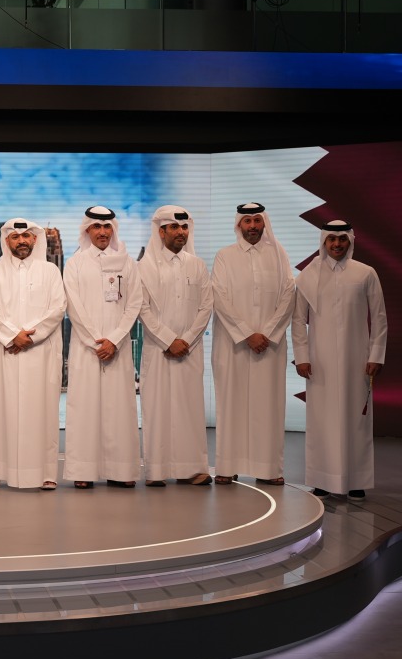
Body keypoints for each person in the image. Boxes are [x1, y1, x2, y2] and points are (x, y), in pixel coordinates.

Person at [292, 220, 388, 500]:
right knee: (322, 420)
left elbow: (379, 317)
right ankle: (322, 479)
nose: (336, 245)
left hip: (356, 360)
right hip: (318, 361)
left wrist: (376, 355)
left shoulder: (365, 273)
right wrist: (301, 356)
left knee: (355, 420)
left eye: (341, 240)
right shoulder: (309, 276)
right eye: (331, 240)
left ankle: (355, 480)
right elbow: (298, 320)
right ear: (323, 242)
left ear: (350, 241)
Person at [0, 219, 67, 490]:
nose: (21, 241)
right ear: (7, 241)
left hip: (40, 354)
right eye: (15, 237)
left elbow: (58, 307)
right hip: (2, 352)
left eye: (26, 236)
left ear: (35, 239)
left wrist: (30, 337)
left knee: (42, 412)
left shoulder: (50, 271)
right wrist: (12, 335)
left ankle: (45, 473)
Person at [211, 202, 296, 486]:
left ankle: (268, 468)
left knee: (268, 405)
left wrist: (267, 334)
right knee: (231, 404)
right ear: (239, 225)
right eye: (247, 221)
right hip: (233, 344)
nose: (252, 227)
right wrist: (248, 333)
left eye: (257, 221)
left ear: (264, 223)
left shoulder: (279, 255)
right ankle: (227, 466)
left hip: (269, 346)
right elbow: (220, 298)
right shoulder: (224, 256)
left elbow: (288, 295)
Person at [61, 207, 143, 490]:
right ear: (87, 231)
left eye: (107, 227)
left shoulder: (127, 263)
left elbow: (134, 303)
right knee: (84, 408)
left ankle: (121, 470)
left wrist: (116, 339)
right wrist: (96, 340)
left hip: (117, 349)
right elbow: (73, 306)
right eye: (96, 227)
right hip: (86, 349)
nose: (103, 232)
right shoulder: (75, 263)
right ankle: (83, 470)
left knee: (120, 409)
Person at [138, 205, 214, 488]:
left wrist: (187, 339)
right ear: (161, 232)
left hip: (189, 350)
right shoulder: (143, 267)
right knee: (157, 407)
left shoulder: (196, 265)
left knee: (189, 409)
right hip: (158, 350)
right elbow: (142, 308)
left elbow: (207, 305)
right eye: (175, 228)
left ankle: (192, 469)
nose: (181, 232)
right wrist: (170, 340)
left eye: (185, 228)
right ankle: (156, 470)